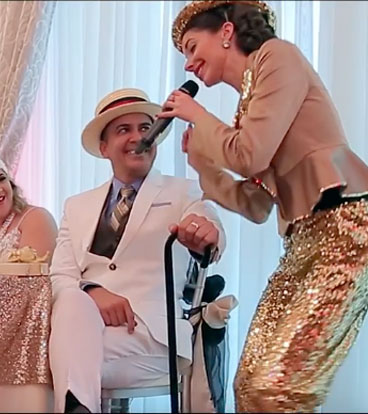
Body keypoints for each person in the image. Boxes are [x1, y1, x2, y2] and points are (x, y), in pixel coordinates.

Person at [165, 1, 368, 411]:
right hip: (303, 239)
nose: (188, 64)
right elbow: (257, 205)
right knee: (249, 382)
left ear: (226, 32)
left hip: (345, 227)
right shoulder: (248, 105)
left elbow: (249, 155)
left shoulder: (277, 57)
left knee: (274, 388)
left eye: (191, 47)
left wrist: (198, 115)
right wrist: (204, 167)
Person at [49, 88, 226, 413]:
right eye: (123, 130)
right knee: (72, 302)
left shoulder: (184, 192)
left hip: (153, 336)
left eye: (146, 128)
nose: (138, 137)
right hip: (87, 326)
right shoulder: (76, 206)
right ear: (104, 148)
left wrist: (206, 235)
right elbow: (60, 276)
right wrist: (93, 292)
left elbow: (210, 229)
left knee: (54, 361)